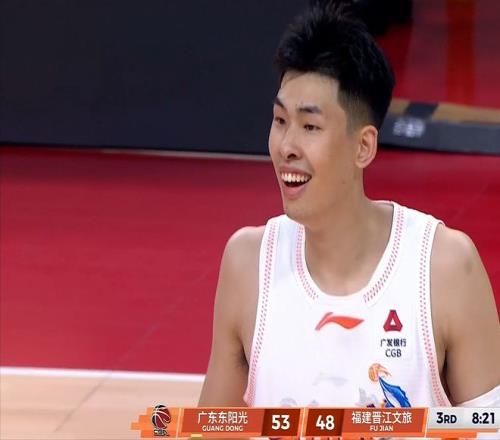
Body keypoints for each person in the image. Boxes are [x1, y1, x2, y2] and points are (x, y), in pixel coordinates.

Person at [199, 0, 500, 408]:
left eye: (310, 126)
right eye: (280, 121)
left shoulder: (444, 268)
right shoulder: (248, 264)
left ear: (363, 147)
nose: (287, 146)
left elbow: (486, 428)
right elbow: (214, 427)